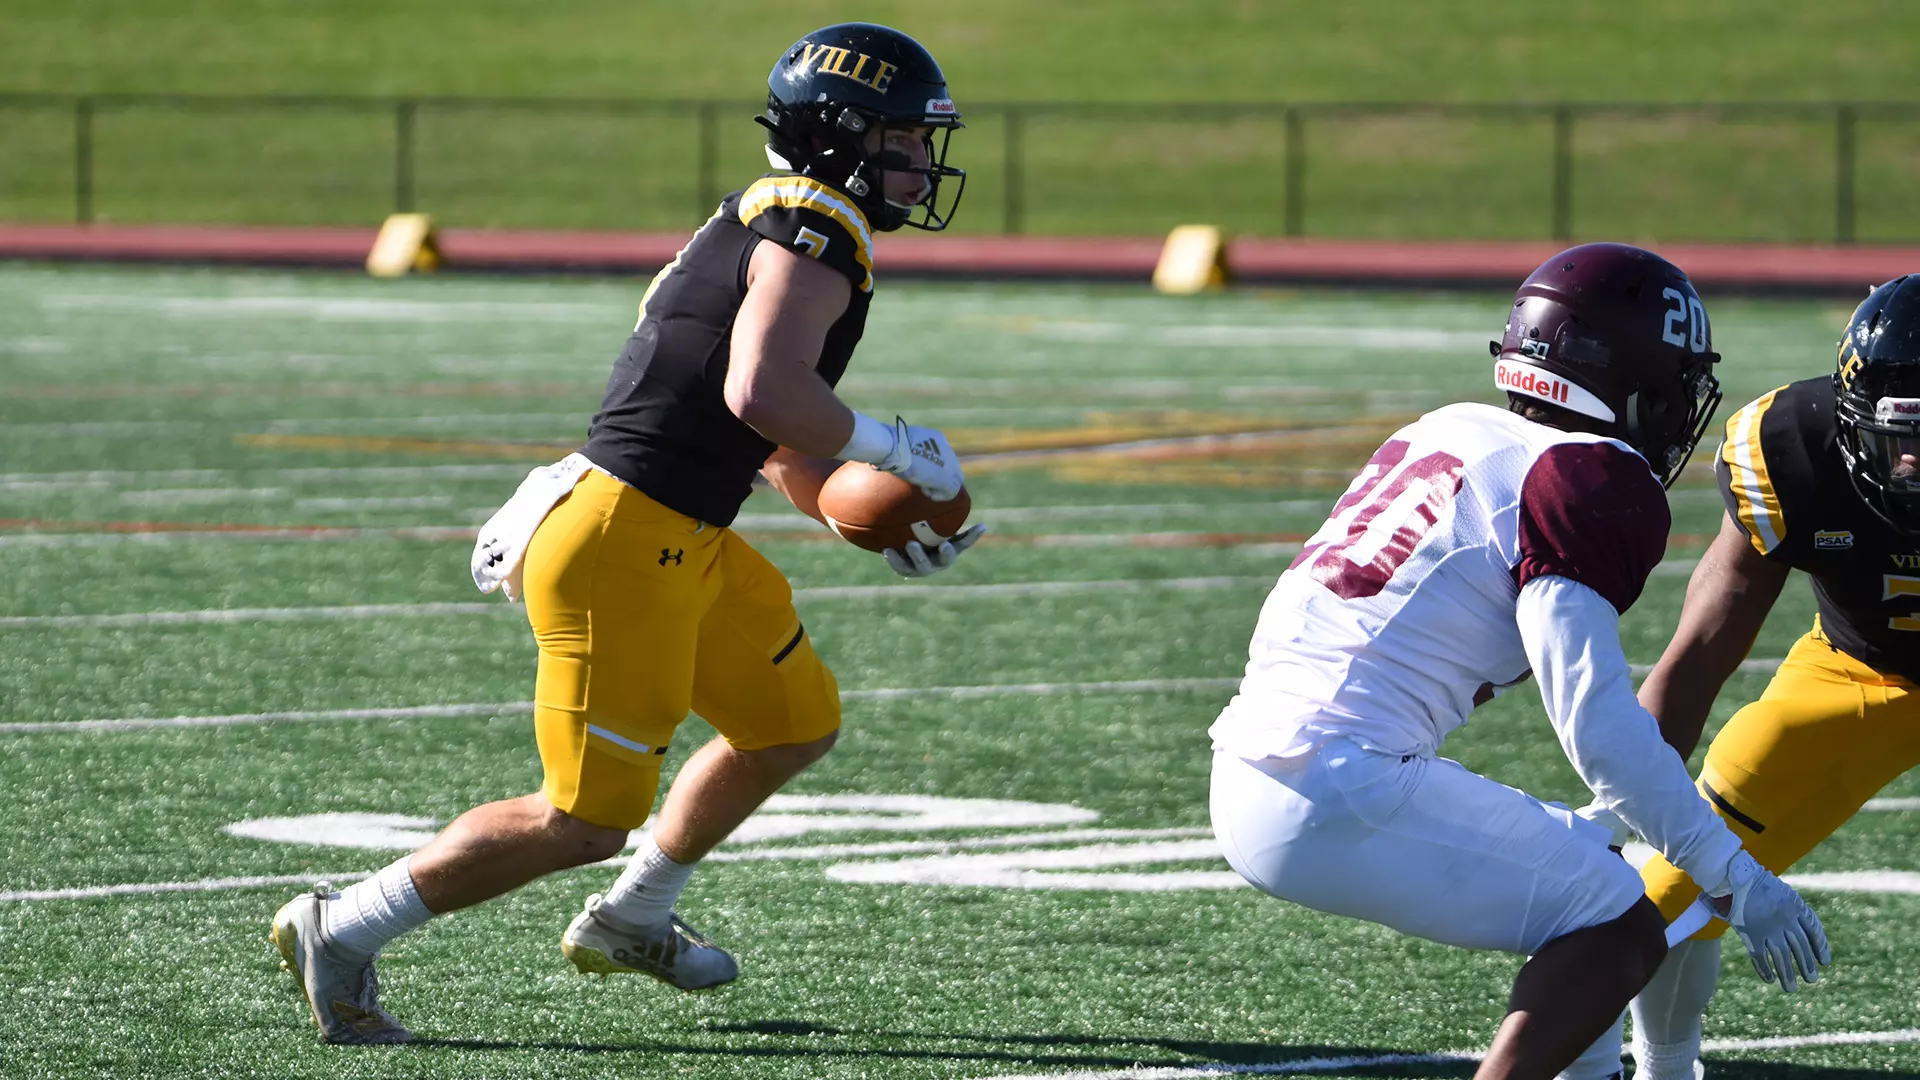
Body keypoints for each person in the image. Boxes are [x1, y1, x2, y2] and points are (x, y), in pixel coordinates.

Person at [267, 22, 986, 1044]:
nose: (921, 162)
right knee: (583, 818)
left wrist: (845, 502)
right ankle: (342, 925)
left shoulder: (776, 220)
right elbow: (763, 388)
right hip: (621, 543)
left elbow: (762, 434)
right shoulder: (814, 224)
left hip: (677, 536)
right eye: (905, 139)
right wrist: (902, 450)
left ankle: (633, 916)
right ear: (841, 135)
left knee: (789, 724)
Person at [1208, 243, 1830, 1080]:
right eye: (1674, 383)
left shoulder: (1447, 427)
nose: (1678, 406)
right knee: (1621, 927)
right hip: (1336, 782)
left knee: (1596, 889)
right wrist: (1730, 872)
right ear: (1631, 378)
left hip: (1254, 759)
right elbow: (1595, 725)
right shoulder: (1584, 475)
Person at [1597, 275, 1920, 1080]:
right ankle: (1668, 1070)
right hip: (1861, 675)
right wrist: (1624, 804)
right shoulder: (1792, 451)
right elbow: (1702, 648)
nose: (1911, 464)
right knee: (1669, 883)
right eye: (1896, 438)